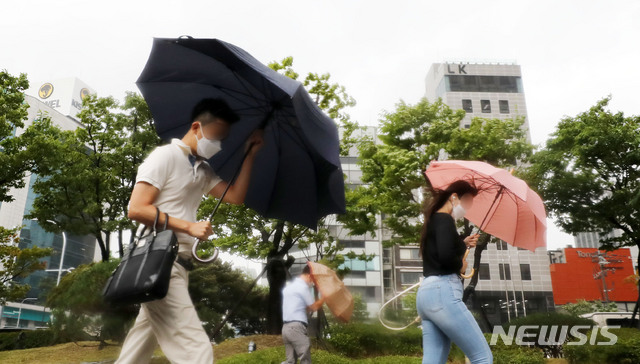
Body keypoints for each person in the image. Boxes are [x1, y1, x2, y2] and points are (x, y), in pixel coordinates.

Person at [115, 98, 264, 364]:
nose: (217, 145)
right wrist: (189, 226)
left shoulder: (203, 169)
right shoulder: (164, 156)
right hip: (159, 260)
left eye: (222, 139)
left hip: (179, 263)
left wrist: (250, 154)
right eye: (215, 136)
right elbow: (136, 208)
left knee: (136, 352)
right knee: (196, 351)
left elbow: (235, 196)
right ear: (197, 127)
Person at [416, 180, 493, 364]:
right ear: (454, 197)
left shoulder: (434, 219)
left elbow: (439, 251)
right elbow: (445, 257)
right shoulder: (445, 219)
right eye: (466, 203)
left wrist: (462, 243)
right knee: (483, 358)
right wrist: (460, 265)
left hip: (426, 295)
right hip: (443, 292)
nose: (466, 210)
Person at [281, 264, 325, 364]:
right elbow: (313, 307)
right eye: (314, 279)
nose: (313, 282)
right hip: (296, 328)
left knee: (290, 361)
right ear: (310, 275)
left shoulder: (290, 287)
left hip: (286, 328)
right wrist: (324, 298)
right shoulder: (303, 287)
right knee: (305, 359)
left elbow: (303, 308)